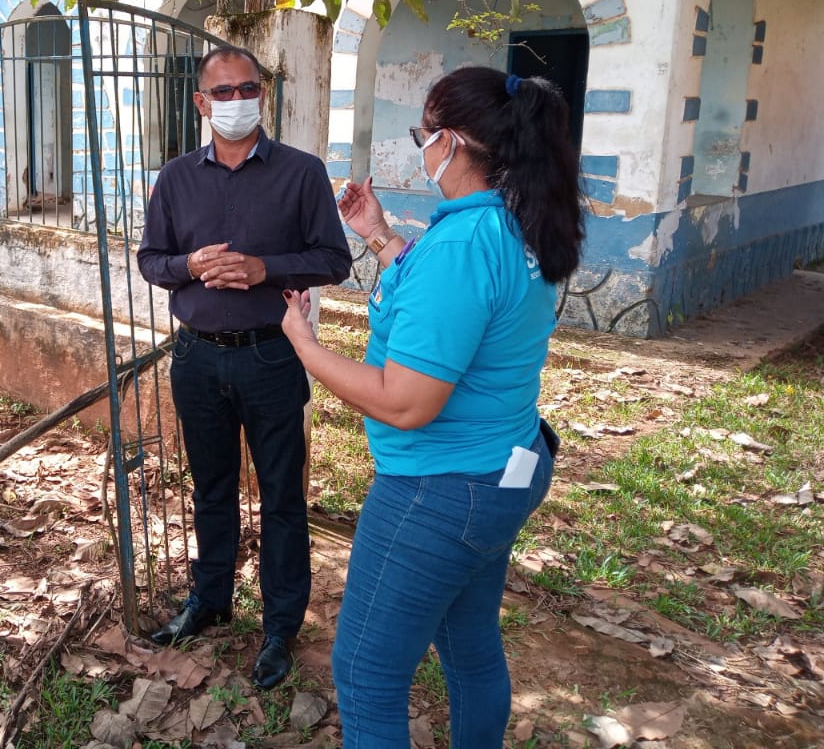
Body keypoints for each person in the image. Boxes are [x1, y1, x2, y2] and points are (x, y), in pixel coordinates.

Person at [281, 66, 583, 746]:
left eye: (425, 132)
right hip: (510, 466)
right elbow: (462, 312)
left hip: (441, 490)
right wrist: (384, 240)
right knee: (470, 644)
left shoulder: (462, 245)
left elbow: (406, 403)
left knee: (365, 673)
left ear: (452, 141)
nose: (421, 146)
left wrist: (305, 345)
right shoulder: (515, 224)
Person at [136, 45, 351, 690]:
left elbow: (333, 260)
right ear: (200, 104)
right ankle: (210, 600)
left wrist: (266, 269)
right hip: (197, 358)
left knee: (282, 496)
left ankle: (281, 625)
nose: (235, 103)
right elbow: (151, 261)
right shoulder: (175, 179)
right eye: (221, 93)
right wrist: (190, 267)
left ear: (264, 96)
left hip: (269, 355)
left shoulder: (301, 173)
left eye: (246, 90)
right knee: (210, 489)